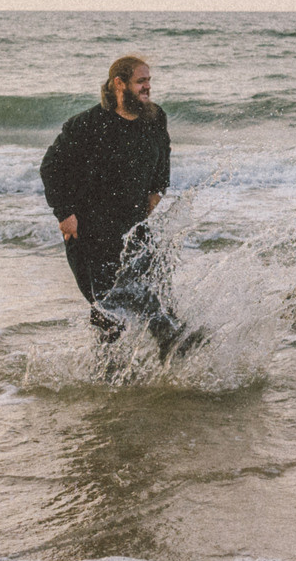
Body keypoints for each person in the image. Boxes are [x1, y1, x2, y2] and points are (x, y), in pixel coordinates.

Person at [40, 53, 186, 350]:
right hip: (91, 233)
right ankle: (107, 381)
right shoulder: (88, 125)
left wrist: (158, 189)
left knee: (157, 297)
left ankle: (171, 365)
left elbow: (164, 151)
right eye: (140, 81)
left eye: (149, 81)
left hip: (134, 229)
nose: (147, 87)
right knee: (108, 312)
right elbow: (51, 166)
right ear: (119, 84)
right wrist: (64, 213)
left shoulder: (155, 117)